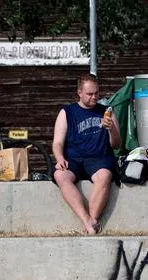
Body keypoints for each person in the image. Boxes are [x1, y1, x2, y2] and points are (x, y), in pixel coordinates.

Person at [52, 73, 121, 235]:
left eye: (97, 93)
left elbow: (117, 145)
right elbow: (57, 142)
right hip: (74, 159)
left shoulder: (107, 112)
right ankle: (87, 221)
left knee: (104, 175)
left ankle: (93, 222)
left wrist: (112, 129)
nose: (94, 97)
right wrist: (60, 158)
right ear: (80, 93)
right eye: (90, 94)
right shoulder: (67, 112)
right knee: (60, 176)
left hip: (99, 158)